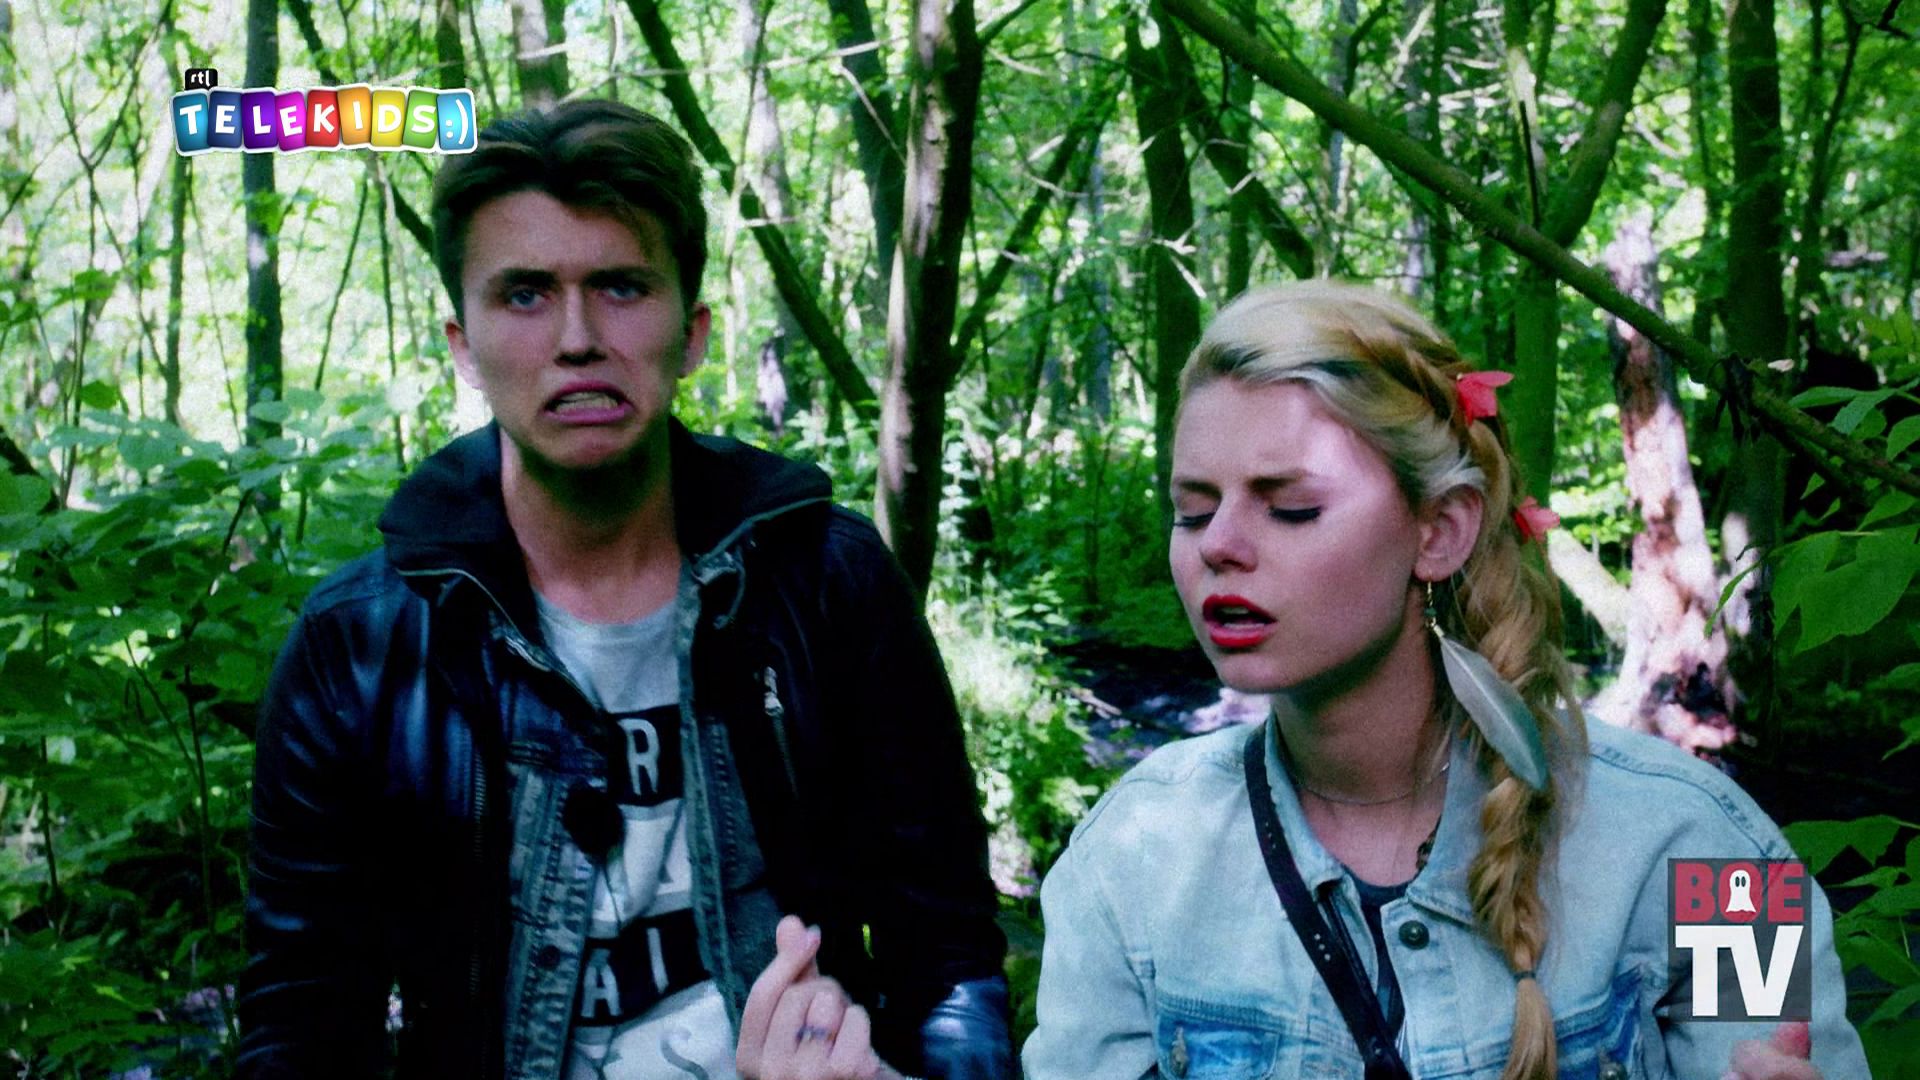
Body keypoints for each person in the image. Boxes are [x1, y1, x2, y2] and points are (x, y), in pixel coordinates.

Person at [237, 99, 1013, 1080]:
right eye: (525, 294)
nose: (576, 339)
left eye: (620, 286)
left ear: (691, 334)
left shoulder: (824, 583)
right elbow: (301, 1021)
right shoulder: (363, 648)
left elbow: (946, 950)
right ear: (463, 346)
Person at [1021, 282, 1868, 1079]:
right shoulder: (1128, 858)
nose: (1219, 545)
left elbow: (1790, 1050)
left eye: (1291, 507)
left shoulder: (1712, 851)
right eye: (1194, 511)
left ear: (1439, 531)